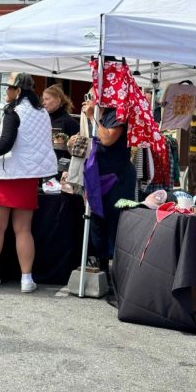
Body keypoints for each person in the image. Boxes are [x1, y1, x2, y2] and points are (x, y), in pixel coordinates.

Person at [0, 73, 57, 293]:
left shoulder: (13, 113)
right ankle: (26, 279)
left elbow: (5, 144)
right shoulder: (43, 114)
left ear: (18, 90)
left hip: (6, 174)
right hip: (28, 177)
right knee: (24, 230)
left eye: (9, 88)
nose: (6, 93)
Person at [81, 91, 136, 279]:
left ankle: (119, 273)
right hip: (98, 177)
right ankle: (101, 267)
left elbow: (107, 138)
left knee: (116, 223)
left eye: (92, 95)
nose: (89, 99)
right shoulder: (100, 114)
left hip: (118, 178)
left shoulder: (117, 114)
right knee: (97, 221)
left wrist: (92, 116)